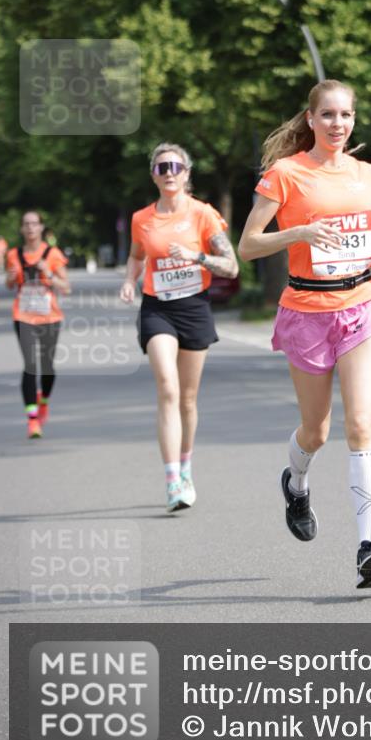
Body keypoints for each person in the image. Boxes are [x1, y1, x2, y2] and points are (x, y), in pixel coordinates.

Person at [238, 79, 371, 588]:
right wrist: (300, 233)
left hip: (360, 304)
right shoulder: (285, 175)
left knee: (361, 425)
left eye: (347, 115)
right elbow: (248, 245)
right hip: (307, 310)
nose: (339, 124)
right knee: (317, 431)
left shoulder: (368, 175)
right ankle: (296, 482)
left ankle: (368, 548)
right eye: (329, 115)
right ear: (311, 119)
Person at [120, 143, 239, 513]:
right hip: (158, 309)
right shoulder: (143, 218)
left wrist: (196, 256)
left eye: (175, 166)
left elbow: (231, 266)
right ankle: (172, 479)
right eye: (161, 167)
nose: (169, 172)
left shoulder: (203, 215)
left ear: (186, 173)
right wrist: (130, 280)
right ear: (153, 175)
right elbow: (138, 254)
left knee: (187, 398)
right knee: (168, 389)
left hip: (194, 308)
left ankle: (186, 466)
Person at [5, 211, 70, 438]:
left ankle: (43, 402)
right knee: (30, 364)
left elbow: (66, 287)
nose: (31, 228)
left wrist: (48, 273)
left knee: (47, 366)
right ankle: (32, 420)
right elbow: (10, 283)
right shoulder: (14, 254)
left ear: (41, 227)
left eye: (34, 224)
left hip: (49, 316)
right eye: (26, 224)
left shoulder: (52, 254)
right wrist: (12, 277)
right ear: (22, 229)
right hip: (23, 315)